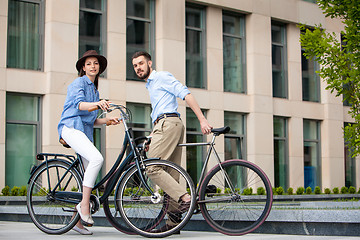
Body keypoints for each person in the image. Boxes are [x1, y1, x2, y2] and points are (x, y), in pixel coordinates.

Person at [131, 51, 213, 233]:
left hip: (168, 123)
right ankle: (173, 224)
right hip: (167, 124)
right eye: (135, 66)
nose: (138, 68)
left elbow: (186, 94)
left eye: (141, 64)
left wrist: (202, 120)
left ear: (150, 63)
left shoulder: (161, 77)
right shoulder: (151, 85)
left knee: (151, 167)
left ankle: (186, 199)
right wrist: (152, 137)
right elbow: (159, 111)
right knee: (170, 173)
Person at [58, 50, 119, 235]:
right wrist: (98, 104)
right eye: (89, 63)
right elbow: (79, 105)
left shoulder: (94, 90)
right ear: (83, 68)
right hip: (70, 128)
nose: (93, 66)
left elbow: (90, 119)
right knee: (97, 159)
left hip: (83, 131)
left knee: (89, 174)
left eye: (96, 64)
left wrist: (107, 120)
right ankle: (84, 206)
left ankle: (76, 222)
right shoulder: (78, 83)